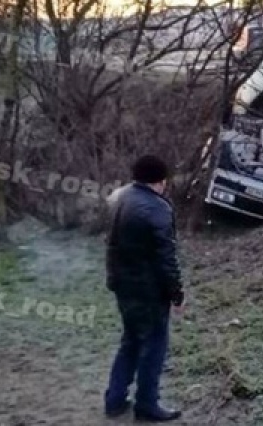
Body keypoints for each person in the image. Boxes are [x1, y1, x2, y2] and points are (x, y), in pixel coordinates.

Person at [104, 155, 185, 422]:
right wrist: (177, 293)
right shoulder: (157, 208)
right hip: (148, 290)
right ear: (160, 181)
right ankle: (147, 404)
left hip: (122, 284)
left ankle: (114, 400)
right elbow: (166, 257)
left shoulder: (120, 197)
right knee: (154, 346)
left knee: (130, 340)